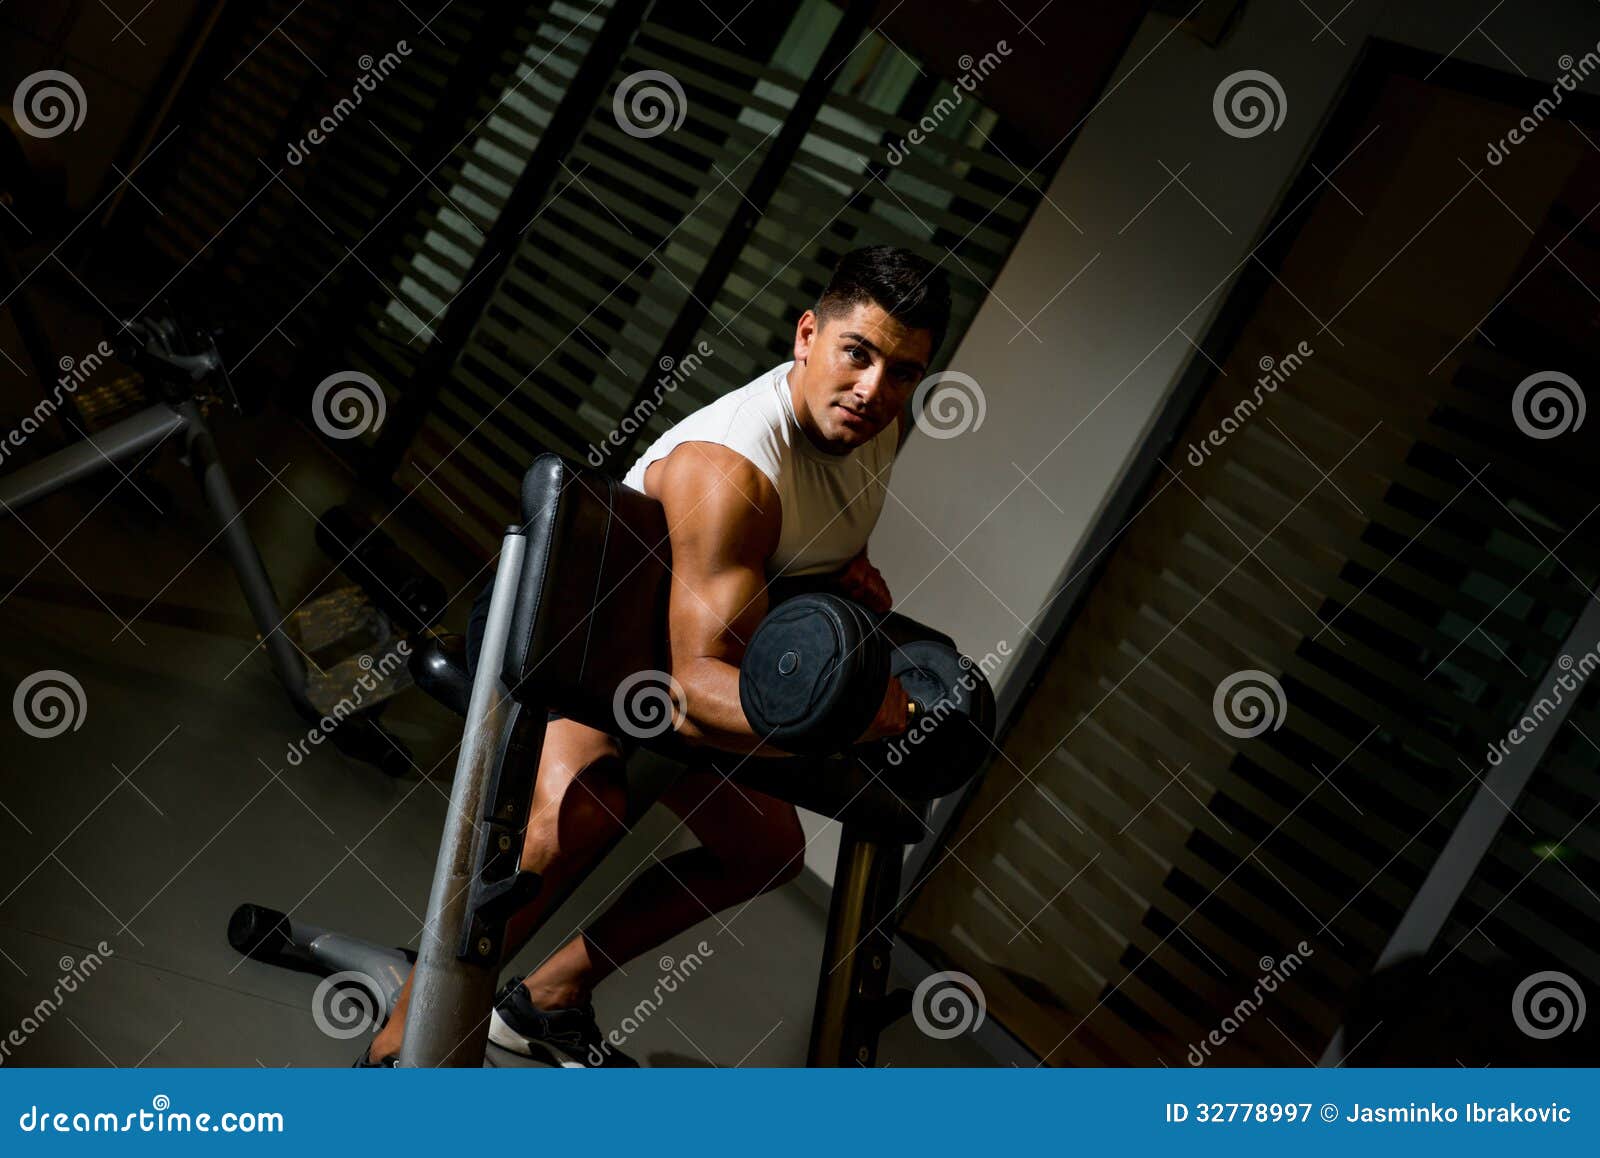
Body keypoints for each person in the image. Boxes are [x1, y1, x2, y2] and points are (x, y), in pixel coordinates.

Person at [358, 245, 951, 1066]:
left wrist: (837, 592)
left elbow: (798, 561)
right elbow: (689, 689)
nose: (875, 390)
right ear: (808, 335)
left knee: (766, 852)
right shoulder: (733, 470)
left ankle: (548, 997)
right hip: (603, 660)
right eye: (859, 353)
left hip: (712, 663)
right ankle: (395, 1057)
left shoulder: (868, 429)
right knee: (570, 826)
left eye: (904, 372)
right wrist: (850, 718)